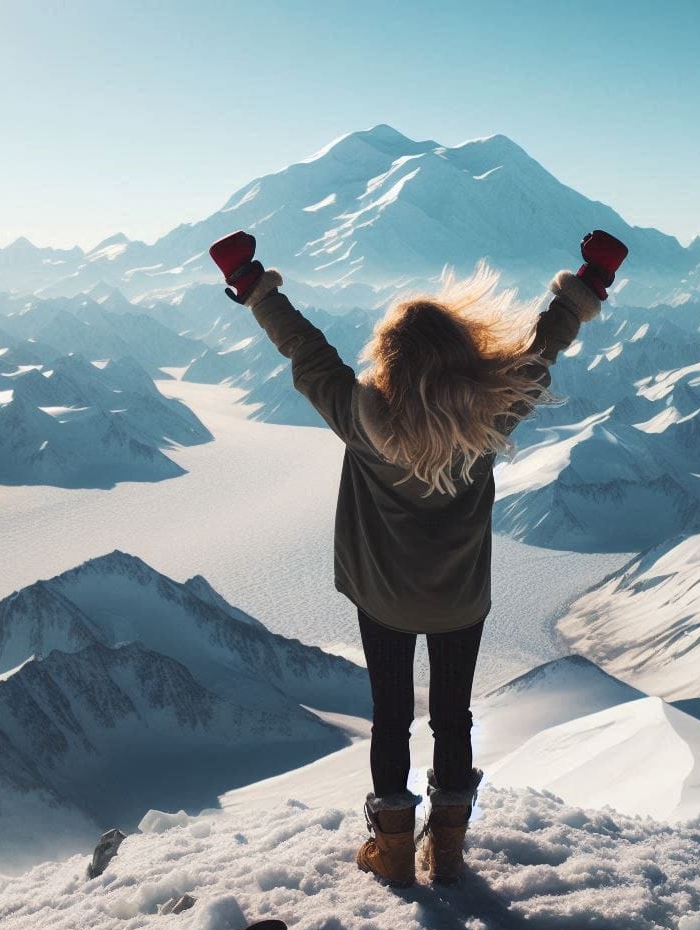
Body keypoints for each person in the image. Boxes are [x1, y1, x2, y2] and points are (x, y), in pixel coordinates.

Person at [209, 229, 622, 887]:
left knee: (392, 717)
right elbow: (544, 345)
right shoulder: (491, 417)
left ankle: (394, 851)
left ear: (392, 359)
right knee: (455, 716)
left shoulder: (358, 417)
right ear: (464, 355)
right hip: (460, 600)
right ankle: (449, 851)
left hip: (384, 600)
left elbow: (305, 350)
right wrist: (589, 283)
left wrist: (252, 283)